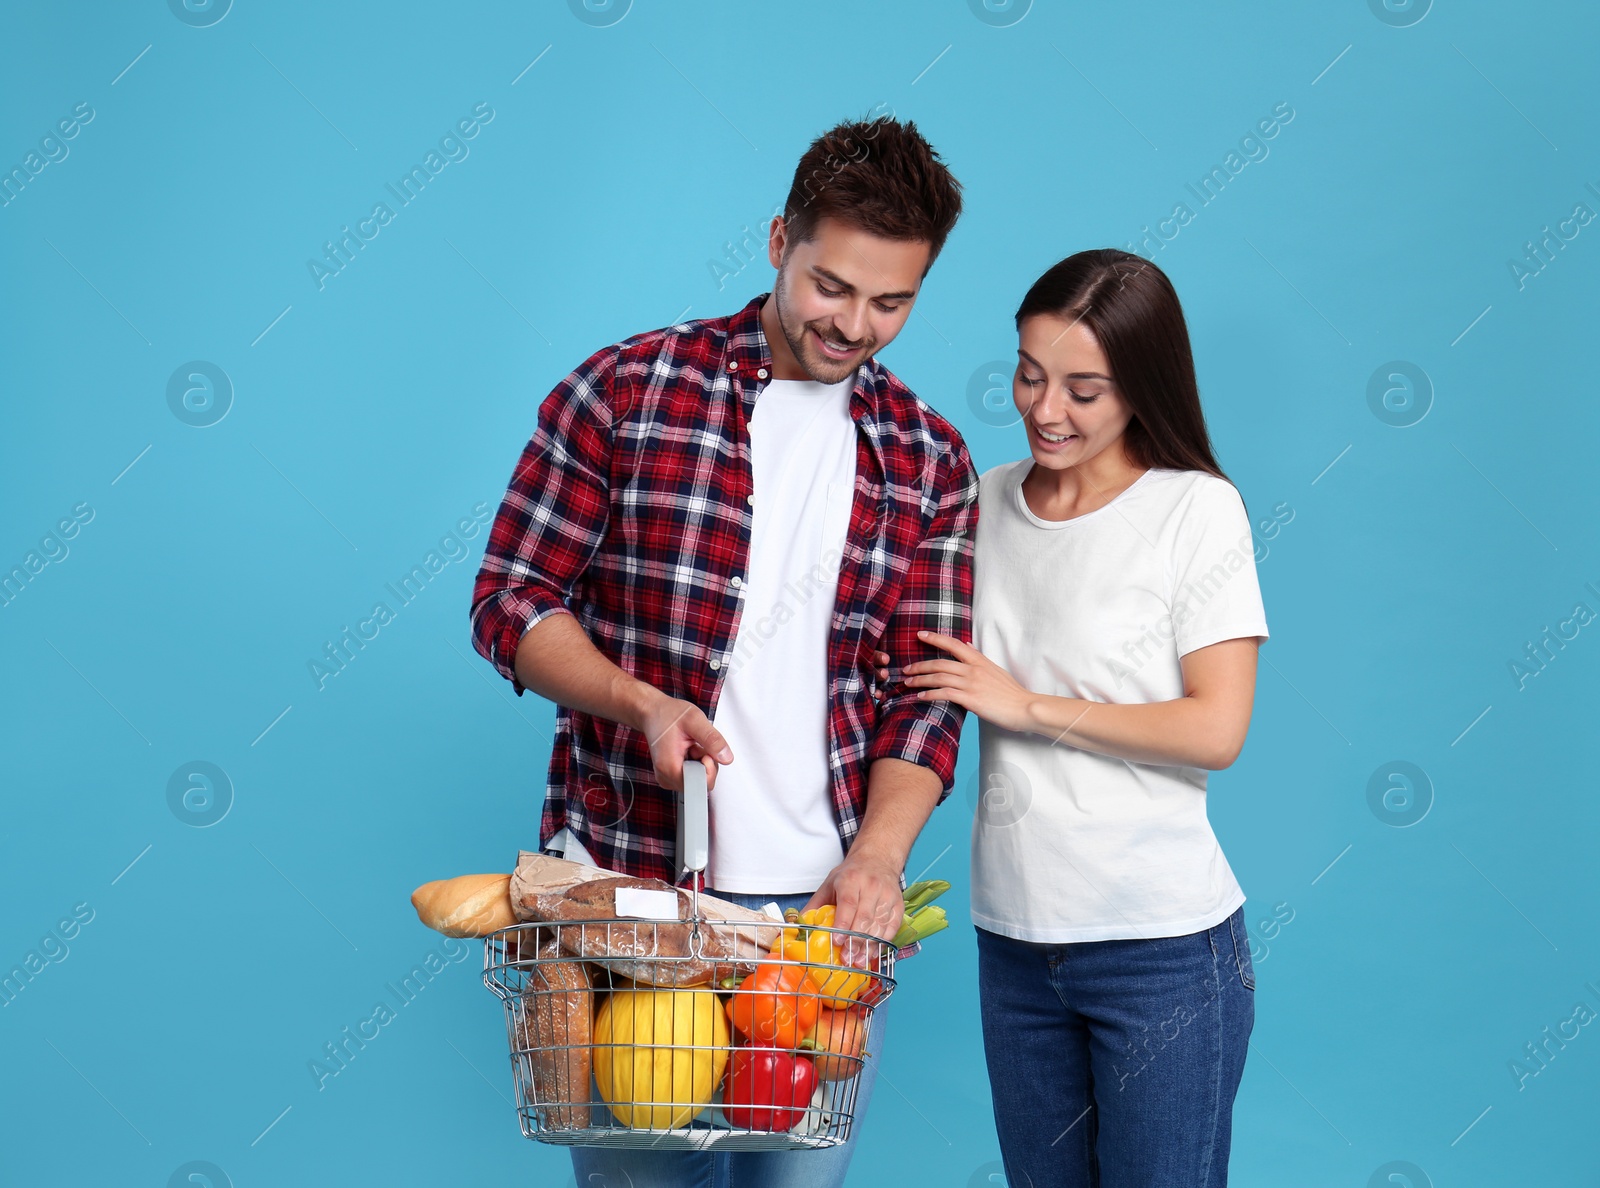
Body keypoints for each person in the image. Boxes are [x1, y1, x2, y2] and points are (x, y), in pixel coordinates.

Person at [469, 115, 978, 1188]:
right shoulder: (627, 391)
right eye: (832, 286)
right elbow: (510, 601)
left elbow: (924, 698)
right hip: (632, 889)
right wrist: (637, 700)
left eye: (892, 302)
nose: (855, 324)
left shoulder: (931, 458)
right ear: (777, 240)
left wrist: (879, 858)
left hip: (816, 921)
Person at [875, 249, 1268, 1186]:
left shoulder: (1196, 512)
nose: (1045, 409)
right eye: (1029, 373)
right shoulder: (982, 505)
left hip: (1162, 952)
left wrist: (1026, 706)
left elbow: (1217, 729)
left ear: (1142, 385)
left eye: (1083, 390)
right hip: (1014, 944)